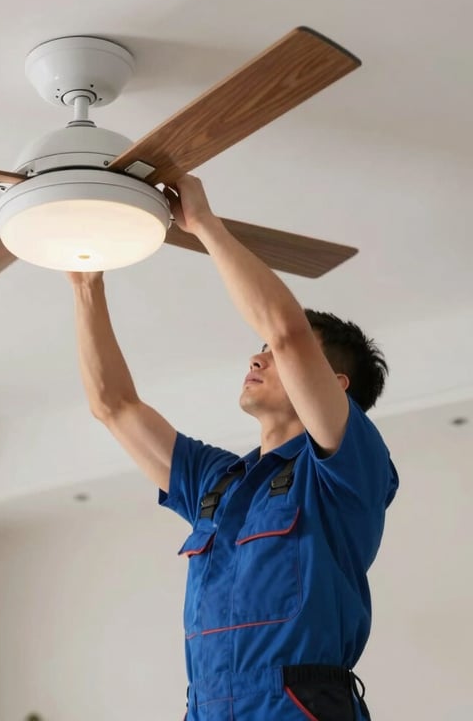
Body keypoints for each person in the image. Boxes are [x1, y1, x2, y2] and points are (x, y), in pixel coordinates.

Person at [67, 175, 398, 721]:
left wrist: (202, 224)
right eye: (258, 350)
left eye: (274, 355)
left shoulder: (345, 473)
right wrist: (86, 282)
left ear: (335, 385)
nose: (258, 358)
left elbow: (288, 331)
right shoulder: (216, 483)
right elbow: (113, 405)